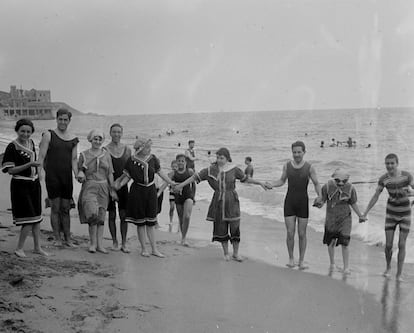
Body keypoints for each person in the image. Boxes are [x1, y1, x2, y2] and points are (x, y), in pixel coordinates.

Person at [174, 148, 267, 261]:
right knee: (221, 227)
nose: (219, 160)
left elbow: (246, 179)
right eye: (217, 157)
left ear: (227, 158)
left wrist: (261, 183)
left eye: (221, 158)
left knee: (235, 227)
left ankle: (236, 253)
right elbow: (195, 177)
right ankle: (226, 253)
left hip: (232, 201)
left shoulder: (234, 169)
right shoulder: (210, 170)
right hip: (218, 201)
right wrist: (180, 185)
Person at [114, 136, 175, 258]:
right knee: (141, 222)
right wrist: (119, 185)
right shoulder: (131, 160)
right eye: (147, 147)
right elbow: (127, 176)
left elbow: (160, 172)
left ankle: (154, 249)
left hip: (151, 191)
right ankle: (143, 248)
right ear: (140, 148)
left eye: (150, 147)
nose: (149, 149)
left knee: (151, 221)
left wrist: (171, 183)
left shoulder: (153, 159)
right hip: (137, 191)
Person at [265, 141, 322, 270]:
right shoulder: (287, 166)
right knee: (290, 233)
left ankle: (301, 261)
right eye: (294, 152)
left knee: (302, 234)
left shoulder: (309, 167)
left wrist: (320, 196)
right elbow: (281, 180)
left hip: (303, 203)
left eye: (299, 152)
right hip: (289, 202)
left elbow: (317, 183)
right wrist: (272, 184)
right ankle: (291, 259)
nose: (296, 154)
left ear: (304, 152)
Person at [1, 119, 49, 257]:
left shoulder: (31, 143)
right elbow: (10, 170)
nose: (25, 134)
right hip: (20, 186)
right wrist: (28, 165)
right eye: (22, 131)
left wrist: (39, 174)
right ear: (17, 130)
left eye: (28, 131)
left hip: (34, 185)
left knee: (37, 218)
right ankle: (19, 248)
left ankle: (37, 247)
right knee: (28, 219)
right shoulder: (12, 146)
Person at [363, 154, 414, 281]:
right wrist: (365, 212)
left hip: (405, 214)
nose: (390, 166)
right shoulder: (383, 179)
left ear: (397, 163)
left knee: (402, 244)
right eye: (387, 163)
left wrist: (412, 193)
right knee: (389, 245)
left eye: (392, 163)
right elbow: (376, 196)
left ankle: (399, 274)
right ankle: (388, 267)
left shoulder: (407, 176)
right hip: (391, 214)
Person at [38, 108, 79, 247]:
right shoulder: (49, 135)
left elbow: (74, 159)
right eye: (60, 119)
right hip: (52, 177)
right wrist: (40, 173)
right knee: (55, 208)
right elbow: (41, 156)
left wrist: (77, 173)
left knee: (66, 208)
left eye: (65, 119)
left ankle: (67, 239)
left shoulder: (73, 138)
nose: (62, 122)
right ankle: (57, 238)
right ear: (56, 119)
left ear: (69, 121)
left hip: (66, 177)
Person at [317, 168, 366, 275]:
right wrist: (318, 203)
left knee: (345, 243)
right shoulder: (327, 187)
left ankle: (346, 267)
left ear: (347, 180)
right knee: (331, 242)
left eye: (344, 181)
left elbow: (353, 203)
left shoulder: (351, 188)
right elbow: (323, 201)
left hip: (345, 218)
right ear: (333, 178)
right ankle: (332, 263)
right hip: (331, 218)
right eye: (338, 180)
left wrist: (360, 215)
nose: (340, 183)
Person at [77, 130, 117, 254]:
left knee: (101, 217)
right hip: (89, 186)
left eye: (100, 139)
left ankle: (100, 245)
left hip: (104, 187)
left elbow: (110, 173)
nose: (97, 141)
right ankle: (92, 244)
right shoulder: (83, 155)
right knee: (92, 215)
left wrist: (112, 189)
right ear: (90, 139)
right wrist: (80, 174)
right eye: (95, 139)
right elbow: (79, 171)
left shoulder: (106, 155)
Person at [106, 124, 131, 252]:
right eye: (114, 132)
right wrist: (112, 189)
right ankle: (114, 241)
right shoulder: (105, 150)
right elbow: (104, 171)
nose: (116, 134)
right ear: (110, 133)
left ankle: (124, 243)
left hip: (123, 186)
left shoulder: (127, 149)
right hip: (109, 185)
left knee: (123, 215)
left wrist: (119, 185)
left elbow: (130, 171)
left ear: (122, 133)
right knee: (111, 215)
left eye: (119, 132)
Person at [170, 154, 195, 246]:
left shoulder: (190, 171)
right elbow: (167, 182)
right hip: (178, 198)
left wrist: (193, 196)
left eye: (182, 161)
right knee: (181, 218)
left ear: (186, 162)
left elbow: (194, 184)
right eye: (179, 161)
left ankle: (184, 238)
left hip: (188, 196)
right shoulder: (174, 173)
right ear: (176, 162)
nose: (180, 162)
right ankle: (183, 237)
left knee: (187, 216)